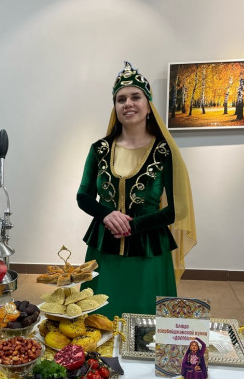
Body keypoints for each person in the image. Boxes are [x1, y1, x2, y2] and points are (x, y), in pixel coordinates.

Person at [77, 62, 197, 318]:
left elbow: (177, 210)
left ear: (148, 105)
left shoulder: (164, 152)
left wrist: (134, 225)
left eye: (135, 97)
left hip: (149, 253)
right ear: (115, 107)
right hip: (104, 251)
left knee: (147, 323)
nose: (128, 103)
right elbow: (83, 196)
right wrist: (107, 215)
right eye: (121, 99)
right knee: (100, 319)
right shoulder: (99, 149)